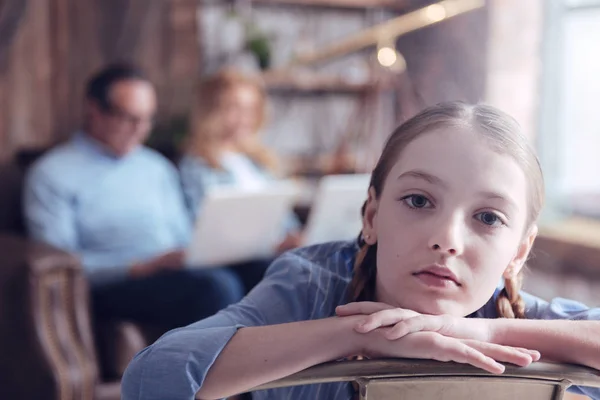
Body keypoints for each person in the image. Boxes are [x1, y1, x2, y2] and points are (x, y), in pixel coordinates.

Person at [121, 102, 600, 400]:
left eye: (488, 217)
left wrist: (482, 330)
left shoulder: (516, 319)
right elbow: (149, 379)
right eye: (418, 200)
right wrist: (361, 336)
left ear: (519, 250)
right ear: (371, 216)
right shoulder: (309, 285)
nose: (447, 239)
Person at [24, 64, 246, 333]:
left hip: (174, 271)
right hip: (116, 282)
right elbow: (63, 265)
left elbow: (183, 234)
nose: (140, 130)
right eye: (128, 118)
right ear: (94, 110)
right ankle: (222, 374)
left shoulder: (156, 167)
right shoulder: (52, 174)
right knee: (216, 286)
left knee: (268, 270)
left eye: (147, 119)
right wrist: (138, 267)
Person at [179, 69, 302, 255]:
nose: (245, 118)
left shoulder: (260, 162)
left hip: (278, 254)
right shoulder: (196, 166)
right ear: (211, 110)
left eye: (251, 109)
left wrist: (296, 237)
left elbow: (286, 219)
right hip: (240, 258)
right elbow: (202, 230)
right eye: (234, 108)